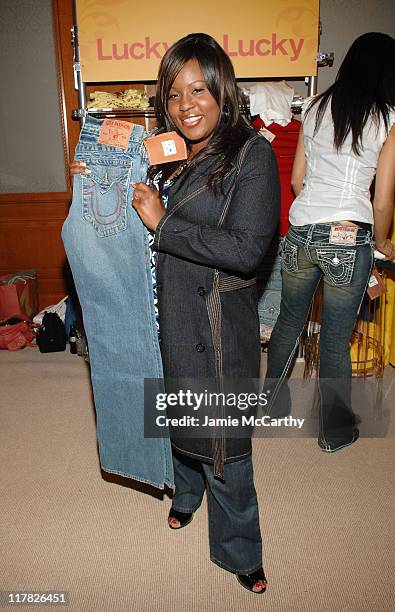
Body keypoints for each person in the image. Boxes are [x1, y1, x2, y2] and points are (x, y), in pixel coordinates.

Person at [71, 33, 280, 593]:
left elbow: (246, 249)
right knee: (175, 425)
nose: (185, 104)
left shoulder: (251, 154)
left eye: (197, 90)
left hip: (214, 326)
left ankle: (241, 551)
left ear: (222, 88)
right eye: (173, 94)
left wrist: (163, 221)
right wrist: (103, 182)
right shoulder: (170, 151)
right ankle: (183, 496)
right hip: (162, 317)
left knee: (224, 447)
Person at [265, 32, 395, 452]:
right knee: (336, 338)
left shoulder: (316, 105)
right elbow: (382, 200)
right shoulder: (389, 118)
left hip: (301, 229)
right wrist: (382, 244)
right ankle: (335, 430)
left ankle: (269, 405)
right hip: (348, 231)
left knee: (288, 320)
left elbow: (297, 179)